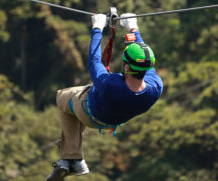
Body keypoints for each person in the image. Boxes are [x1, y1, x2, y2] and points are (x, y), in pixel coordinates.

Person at [46, 13, 163, 181]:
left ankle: (73, 157)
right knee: (78, 99)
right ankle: (70, 160)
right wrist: (133, 29)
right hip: (112, 120)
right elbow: (144, 59)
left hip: (89, 112)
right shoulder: (155, 87)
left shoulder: (109, 85)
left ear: (127, 66)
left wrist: (97, 29)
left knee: (63, 97)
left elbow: (94, 61)